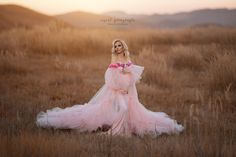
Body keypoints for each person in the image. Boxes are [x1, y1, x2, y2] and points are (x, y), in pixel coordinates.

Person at [36, 39, 184, 137]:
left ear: (123, 47)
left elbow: (132, 80)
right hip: (116, 93)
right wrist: (119, 88)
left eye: (120, 45)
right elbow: (110, 81)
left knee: (133, 112)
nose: (118, 48)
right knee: (121, 109)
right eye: (115, 46)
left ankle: (125, 126)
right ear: (114, 49)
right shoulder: (113, 63)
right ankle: (116, 131)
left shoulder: (128, 62)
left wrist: (128, 81)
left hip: (128, 93)